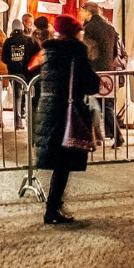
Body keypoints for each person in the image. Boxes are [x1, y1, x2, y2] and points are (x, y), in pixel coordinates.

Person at [33, 14, 100, 225]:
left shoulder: (49, 50)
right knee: (63, 162)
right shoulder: (75, 50)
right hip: (66, 110)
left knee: (59, 162)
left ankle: (54, 205)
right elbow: (90, 83)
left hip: (50, 109)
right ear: (74, 31)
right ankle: (52, 208)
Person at [80, 1, 121, 146]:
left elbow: (87, 49)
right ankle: (105, 135)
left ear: (88, 12)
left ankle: (98, 136)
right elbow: (116, 51)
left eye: (83, 11)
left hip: (94, 69)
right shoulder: (110, 28)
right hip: (108, 69)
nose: (81, 14)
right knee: (105, 104)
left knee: (93, 103)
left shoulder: (90, 27)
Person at [2, 19, 34, 130]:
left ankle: (18, 122)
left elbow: (4, 58)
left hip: (13, 73)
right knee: (28, 95)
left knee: (17, 97)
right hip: (26, 73)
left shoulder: (8, 41)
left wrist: (12, 63)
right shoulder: (28, 40)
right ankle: (29, 120)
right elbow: (31, 56)